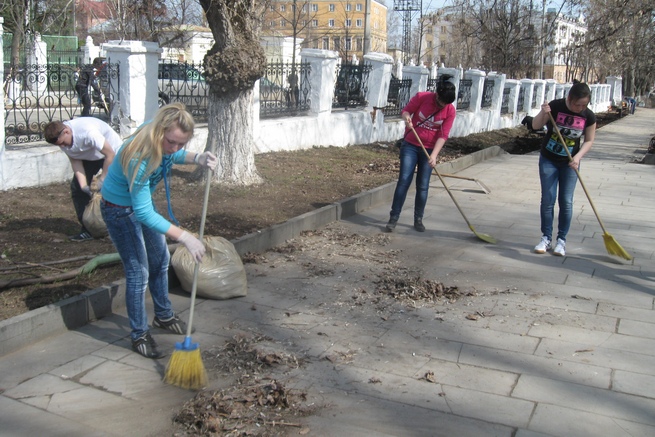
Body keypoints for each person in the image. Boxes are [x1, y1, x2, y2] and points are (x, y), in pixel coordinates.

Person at [100, 103, 217, 359]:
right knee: (138, 271)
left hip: (139, 204)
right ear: (159, 131)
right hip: (119, 209)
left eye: (181, 144)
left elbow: (171, 156)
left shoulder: (161, 140)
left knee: (161, 259)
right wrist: (185, 237)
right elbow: (142, 213)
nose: (175, 148)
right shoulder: (140, 156)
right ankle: (139, 333)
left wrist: (196, 157)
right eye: (172, 141)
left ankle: (163, 316)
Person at [530, 81, 596, 256]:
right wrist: (543, 113)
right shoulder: (555, 106)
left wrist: (577, 157)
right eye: (577, 104)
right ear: (569, 99)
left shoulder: (588, 116)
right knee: (548, 200)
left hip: (570, 163)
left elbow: (589, 140)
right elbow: (536, 125)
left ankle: (561, 241)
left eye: (584, 105)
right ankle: (546, 238)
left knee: (566, 201)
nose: (580, 108)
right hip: (549, 159)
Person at [386, 77, 457, 233]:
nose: (442, 105)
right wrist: (407, 118)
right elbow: (406, 111)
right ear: (436, 94)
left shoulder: (450, 111)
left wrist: (434, 156)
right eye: (440, 102)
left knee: (423, 186)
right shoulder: (422, 97)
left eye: (446, 103)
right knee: (404, 181)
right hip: (410, 145)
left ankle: (418, 219)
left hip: (430, 150)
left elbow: (443, 135)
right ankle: (393, 218)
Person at [44, 118, 123, 242]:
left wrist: (102, 179)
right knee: (77, 190)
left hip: (112, 153)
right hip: (90, 156)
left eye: (63, 143)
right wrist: (83, 186)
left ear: (66, 132)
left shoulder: (88, 132)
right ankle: (89, 230)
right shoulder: (61, 140)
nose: (63, 147)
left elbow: (110, 155)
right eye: (60, 145)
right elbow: (75, 160)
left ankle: (120, 228)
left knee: (115, 189)